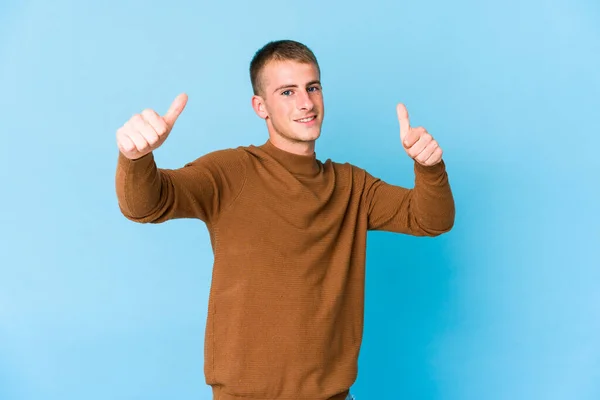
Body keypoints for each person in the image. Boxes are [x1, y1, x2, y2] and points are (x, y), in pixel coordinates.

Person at [114, 40, 455, 400]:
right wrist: (135, 157)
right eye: (287, 92)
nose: (306, 103)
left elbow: (431, 219)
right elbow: (146, 205)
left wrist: (429, 167)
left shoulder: (353, 186)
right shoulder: (231, 172)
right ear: (260, 106)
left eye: (312, 88)